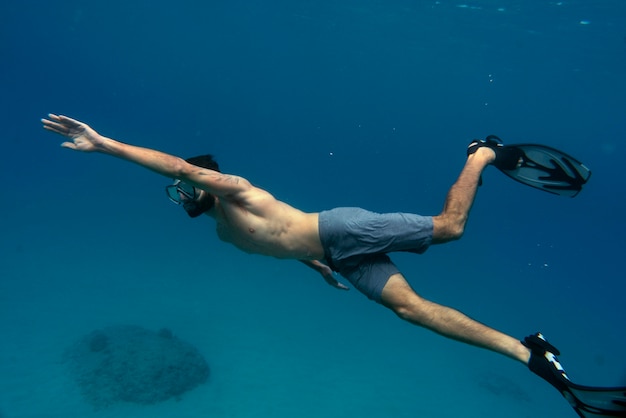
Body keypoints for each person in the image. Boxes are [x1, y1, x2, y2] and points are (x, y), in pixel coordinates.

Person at [42, 114, 624, 417]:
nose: (181, 199)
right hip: (330, 254)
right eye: (176, 196)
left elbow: (179, 165)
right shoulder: (224, 235)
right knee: (412, 312)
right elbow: (278, 245)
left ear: (199, 184)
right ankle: (533, 355)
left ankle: (483, 155)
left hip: (338, 227)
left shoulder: (235, 192)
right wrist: (317, 269)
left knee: (449, 229)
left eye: (181, 190)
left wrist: (106, 145)